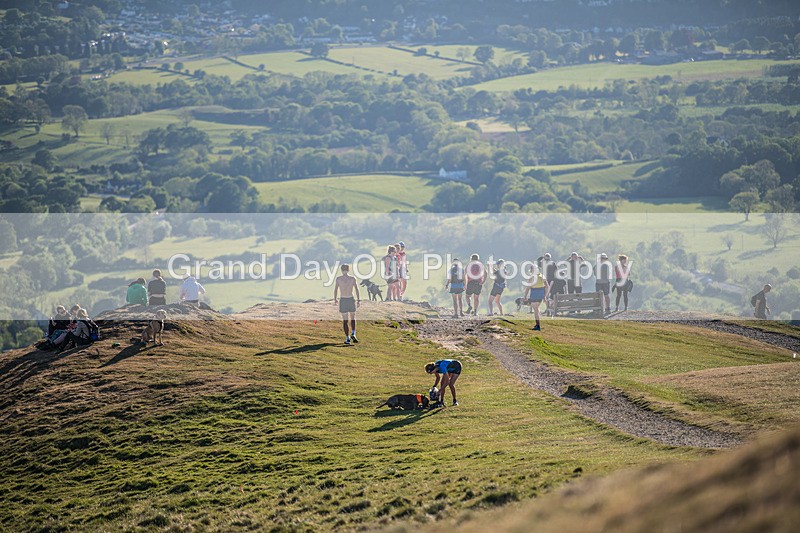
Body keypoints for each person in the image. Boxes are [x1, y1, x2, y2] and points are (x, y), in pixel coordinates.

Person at [333, 264, 361, 345]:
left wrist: (335, 299)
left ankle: (347, 338)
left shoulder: (339, 279)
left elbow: (335, 290)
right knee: (353, 318)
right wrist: (359, 300)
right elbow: (356, 289)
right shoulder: (352, 278)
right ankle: (353, 333)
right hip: (350, 299)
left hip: (343, 299)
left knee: (345, 320)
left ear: (341, 270)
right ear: (348, 270)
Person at [524, 261, 548, 331]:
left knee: (535, 310)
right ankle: (538, 323)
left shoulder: (531, 277)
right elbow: (547, 286)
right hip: (541, 293)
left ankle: (538, 325)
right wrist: (545, 295)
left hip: (534, 293)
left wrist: (525, 296)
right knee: (536, 308)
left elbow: (528, 288)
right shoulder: (542, 276)